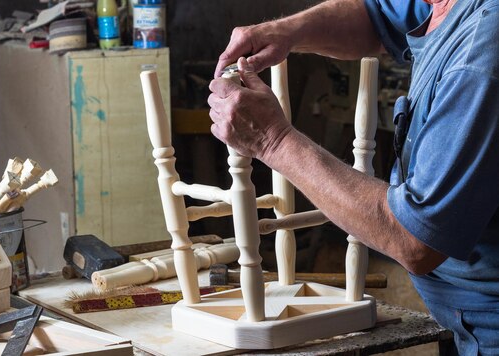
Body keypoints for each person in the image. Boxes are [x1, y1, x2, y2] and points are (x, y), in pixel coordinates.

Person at [208, 0, 499, 354]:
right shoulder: (442, 4)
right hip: (463, 318)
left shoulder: (482, 56)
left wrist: (275, 141)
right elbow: (376, 17)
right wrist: (288, 31)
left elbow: (416, 240)